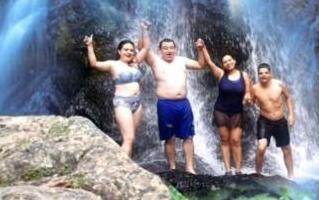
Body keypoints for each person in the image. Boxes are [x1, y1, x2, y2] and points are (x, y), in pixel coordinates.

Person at [140, 20, 207, 173]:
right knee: (169, 138)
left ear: (175, 49)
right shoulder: (155, 61)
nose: (169, 50)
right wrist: (144, 30)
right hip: (165, 105)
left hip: (184, 104)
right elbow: (143, 48)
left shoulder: (182, 60)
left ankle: (190, 167)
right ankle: (172, 167)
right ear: (160, 50)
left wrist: (200, 49)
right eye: (165, 48)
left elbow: (201, 65)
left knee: (188, 136)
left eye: (171, 47)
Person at [83, 35, 148, 157]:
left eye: (131, 50)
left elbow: (145, 48)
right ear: (119, 51)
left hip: (137, 104)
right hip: (122, 103)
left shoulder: (135, 63)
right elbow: (94, 64)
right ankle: (122, 169)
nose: (129, 52)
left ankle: (127, 165)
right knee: (129, 138)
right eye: (126, 50)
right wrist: (90, 46)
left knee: (131, 138)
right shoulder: (113, 64)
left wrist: (144, 30)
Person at [202, 46, 254, 175]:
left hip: (237, 112)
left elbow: (248, 91)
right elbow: (209, 62)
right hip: (221, 111)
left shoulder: (244, 75)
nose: (228, 63)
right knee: (225, 140)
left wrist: (247, 98)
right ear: (223, 65)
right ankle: (227, 170)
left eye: (230, 60)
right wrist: (202, 48)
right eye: (225, 62)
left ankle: (238, 169)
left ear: (234, 61)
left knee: (235, 140)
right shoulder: (221, 75)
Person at [251, 63, 295, 178]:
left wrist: (291, 114)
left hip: (280, 121)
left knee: (286, 149)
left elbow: (288, 98)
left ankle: (291, 175)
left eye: (266, 73)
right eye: (261, 73)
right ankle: (257, 174)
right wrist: (246, 101)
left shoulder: (279, 85)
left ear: (270, 73)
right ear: (258, 75)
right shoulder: (255, 88)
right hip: (264, 121)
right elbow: (250, 103)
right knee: (261, 147)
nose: (263, 75)